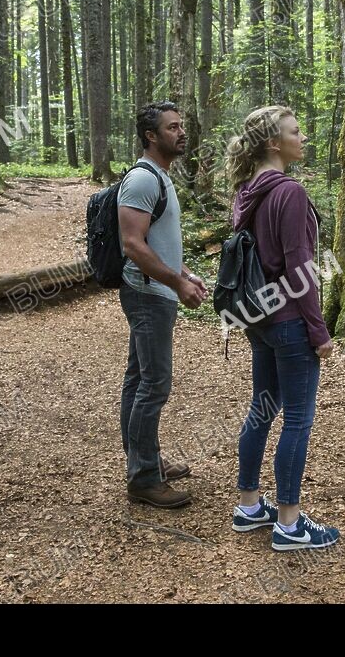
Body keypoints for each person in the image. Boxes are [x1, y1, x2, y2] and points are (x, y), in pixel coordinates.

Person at [226, 106, 339, 551]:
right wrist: (319, 331)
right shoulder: (288, 192)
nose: (303, 137)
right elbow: (301, 270)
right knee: (297, 419)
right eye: (296, 131)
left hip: (259, 320)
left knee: (261, 408)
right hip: (290, 323)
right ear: (274, 143)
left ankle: (250, 505)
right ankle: (290, 525)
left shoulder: (248, 190)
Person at [118, 101, 208, 508]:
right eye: (172, 127)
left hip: (159, 289)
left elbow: (158, 240)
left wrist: (184, 272)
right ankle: (142, 478)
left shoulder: (161, 176)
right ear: (151, 136)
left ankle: (146, 461)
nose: (181, 132)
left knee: (139, 381)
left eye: (181, 126)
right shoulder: (141, 180)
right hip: (147, 294)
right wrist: (174, 282)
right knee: (153, 384)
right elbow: (133, 244)